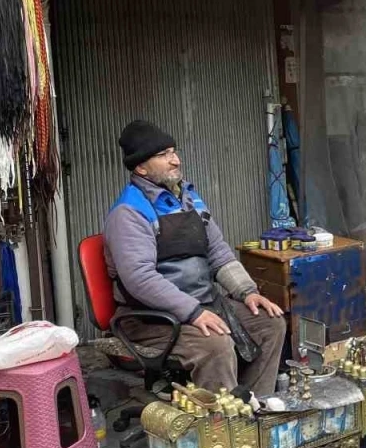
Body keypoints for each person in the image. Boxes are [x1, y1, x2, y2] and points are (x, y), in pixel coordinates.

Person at [103, 120, 285, 397]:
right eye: (163, 155)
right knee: (215, 344)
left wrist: (247, 291)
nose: (175, 160)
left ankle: (254, 404)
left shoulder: (189, 199)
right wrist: (194, 312)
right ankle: (221, 418)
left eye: (173, 151)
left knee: (270, 324)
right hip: (152, 318)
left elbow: (218, 252)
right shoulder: (129, 212)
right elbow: (140, 278)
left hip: (204, 302)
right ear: (141, 168)